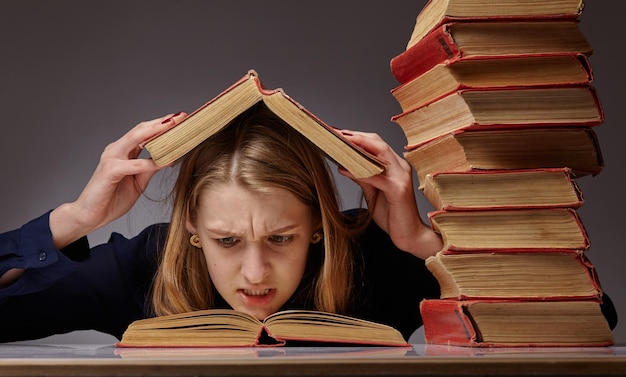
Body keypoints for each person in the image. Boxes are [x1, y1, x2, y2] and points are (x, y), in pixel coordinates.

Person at [0, 105, 618, 343]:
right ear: (189, 224)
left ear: (321, 225)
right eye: (225, 240)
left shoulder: (376, 258)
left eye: (281, 238)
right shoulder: (147, 265)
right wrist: (74, 219)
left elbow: (589, 322)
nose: (254, 272)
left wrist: (421, 244)